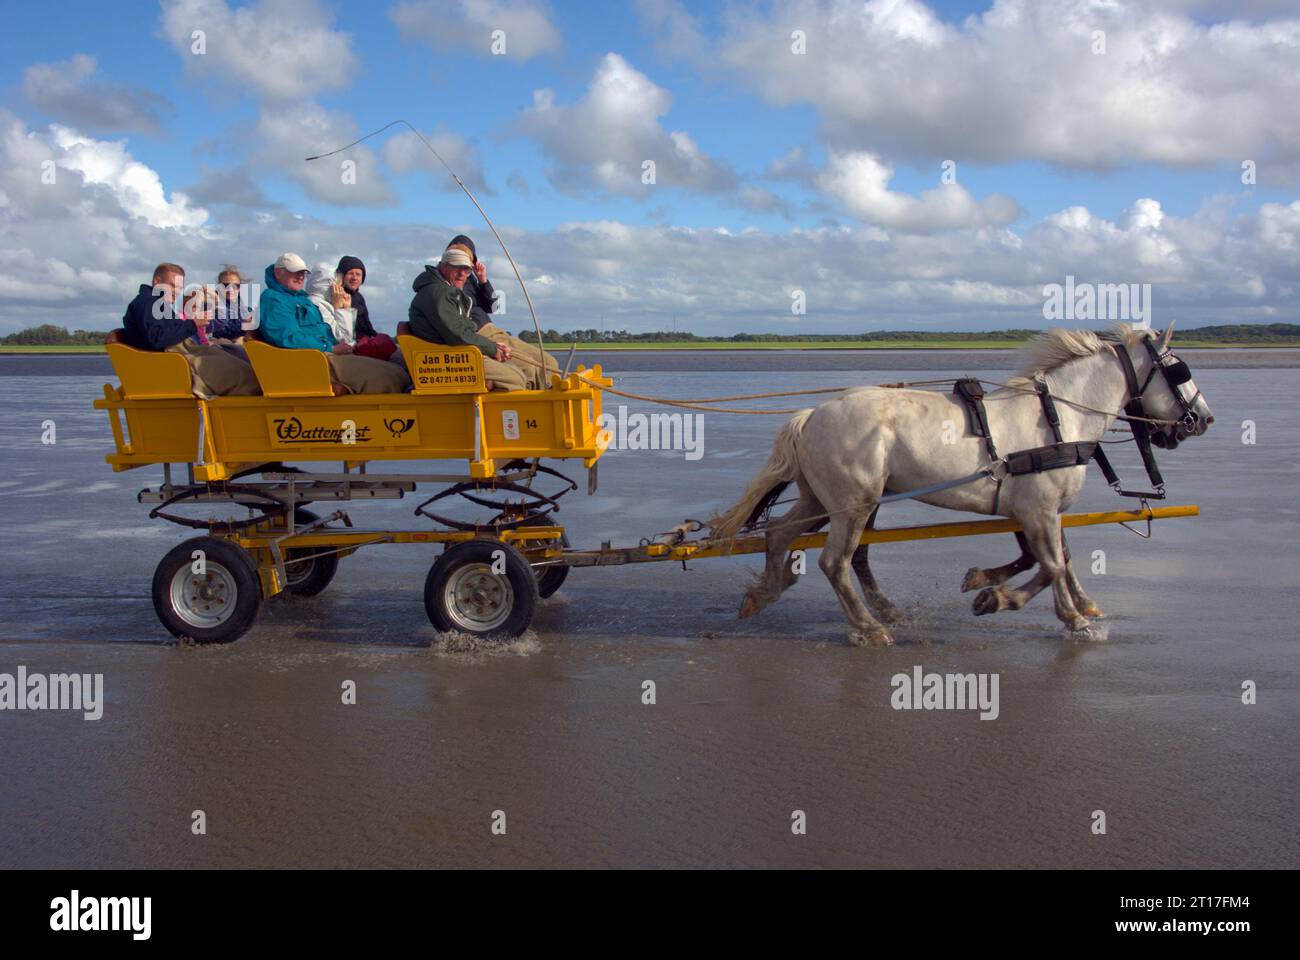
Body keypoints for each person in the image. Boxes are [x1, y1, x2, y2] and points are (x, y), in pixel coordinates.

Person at [257, 253, 410, 395]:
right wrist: (331, 347)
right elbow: (288, 338)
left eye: (303, 273)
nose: (300, 277)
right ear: (278, 273)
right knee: (389, 376)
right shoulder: (275, 299)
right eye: (295, 272)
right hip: (311, 362)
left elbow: (330, 334)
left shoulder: (301, 299)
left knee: (396, 372)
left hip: (322, 357)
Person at [409, 246, 540, 390]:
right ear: (444, 267)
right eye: (457, 268)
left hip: (454, 353)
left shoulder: (441, 289)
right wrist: (491, 348)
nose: (462, 274)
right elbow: (457, 335)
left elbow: (464, 329)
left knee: (520, 370)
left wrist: (493, 345)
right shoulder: (440, 293)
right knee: (515, 377)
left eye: (467, 270)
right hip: (447, 357)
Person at [121, 262, 259, 397]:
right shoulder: (147, 302)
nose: (177, 292)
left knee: (238, 360)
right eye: (172, 286)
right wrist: (193, 324)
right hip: (169, 362)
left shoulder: (158, 303)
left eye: (180, 288)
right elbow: (156, 339)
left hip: (180, 354)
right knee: (240, 372)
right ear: (157, 282)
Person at [212, 265, 251, 341]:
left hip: (241, 346)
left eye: (235, 286)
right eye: (225, 285)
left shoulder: (248, 311)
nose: (230, 289)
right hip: (217, 345)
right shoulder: (210, 306)